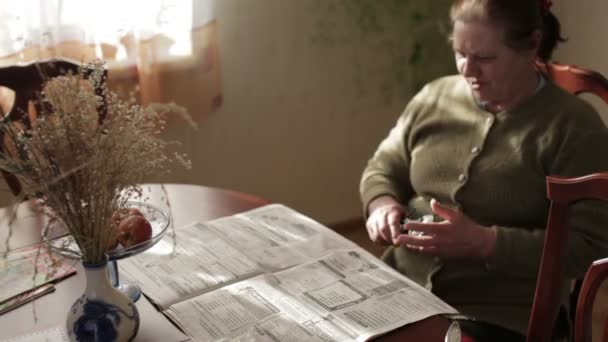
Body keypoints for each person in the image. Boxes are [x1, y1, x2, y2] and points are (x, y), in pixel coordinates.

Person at [359, 0, 608, 340]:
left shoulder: (574, 127)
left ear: (531, 45)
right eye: (460, 52)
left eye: (485, 58)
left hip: (498, 315)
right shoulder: (435, 96)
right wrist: (381, 203)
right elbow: (384, 166)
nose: (467, 69)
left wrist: (486, 243)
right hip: (399, 287)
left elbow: (591, 244)